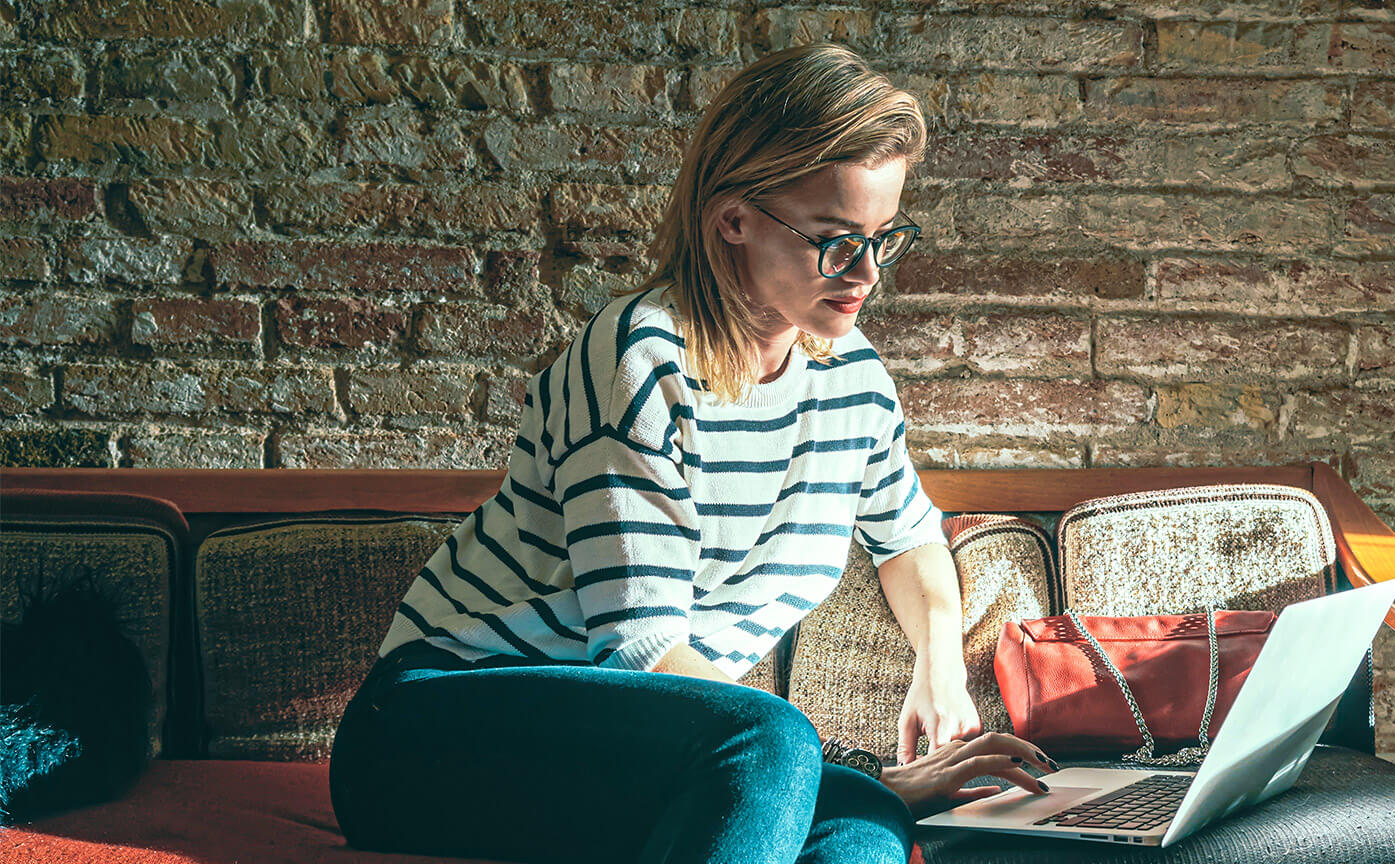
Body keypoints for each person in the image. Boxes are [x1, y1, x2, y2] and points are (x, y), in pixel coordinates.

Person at [329, 42, 1055, 864]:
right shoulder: (637, 361)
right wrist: (842, 769)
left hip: (656, 749)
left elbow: (911, 540)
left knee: (865, 826)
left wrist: (941, 671)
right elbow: (641, 653)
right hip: (434, 731)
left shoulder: (854, 379)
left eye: (884, 237)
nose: (866, 273)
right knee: (786, 748)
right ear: (733, 219)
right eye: (834, 239)